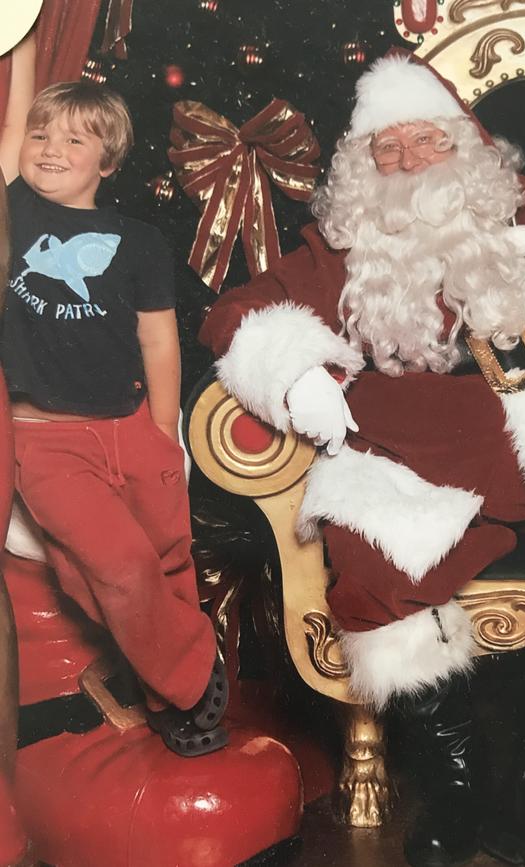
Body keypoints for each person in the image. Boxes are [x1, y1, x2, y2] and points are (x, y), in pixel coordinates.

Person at [198, 53, 525, 866]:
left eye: (425, 140)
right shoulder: (347, 242)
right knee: (368, 568)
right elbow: (235, 313)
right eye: (386, 148)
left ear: (464, 145)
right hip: (405, 457)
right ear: (361, 169)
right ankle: (462, 789)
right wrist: (299, 373)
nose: (407, 161)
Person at [0, 43, 228, 758]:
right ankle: (198, 679)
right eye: (42, 134)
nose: (50, 147)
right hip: (45, 439)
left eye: (75, 138)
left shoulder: (137, 240)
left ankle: (166, 696)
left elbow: (159, 340)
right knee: (117, 566)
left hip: (132, 424)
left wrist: (163, 432)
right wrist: (28, 34)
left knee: (158, 561)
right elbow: (14, 129)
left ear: (109, 161)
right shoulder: (16, 213)